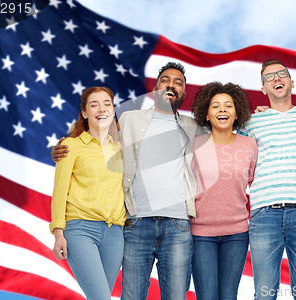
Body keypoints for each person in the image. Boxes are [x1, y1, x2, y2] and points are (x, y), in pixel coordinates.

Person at [52, 62, 201, 300]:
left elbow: (226, 131)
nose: (171, 85)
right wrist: (62, 147)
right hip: (135, 223)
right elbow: (96, 131)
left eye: (178, 82)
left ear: (183, 91)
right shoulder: (130, 119)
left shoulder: (193, 126)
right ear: (155, 87)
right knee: (129, 295)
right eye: (165, 80)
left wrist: (263, 113)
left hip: (177, 224)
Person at [241, 59, 296, 300]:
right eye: (269, 77)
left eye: (282, 74)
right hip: (263, 212)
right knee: (264, 294)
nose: (276, 79)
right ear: (263, 89)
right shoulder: (250, 122)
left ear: (291, 82)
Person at [50, 86, 126, 300]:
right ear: (84, 113)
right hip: (80, 230)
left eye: (107, 104)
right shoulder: (70, 146)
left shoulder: (122, 149)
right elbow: (60, 191)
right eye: (94, 105)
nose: (101, 109)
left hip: (115, 234)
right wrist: (58, 233)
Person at [189, 81, 257, 300]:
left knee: (228, 296)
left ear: (237, 114)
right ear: (207, 115)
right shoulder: (194, 144)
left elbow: (256, 183)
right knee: (206, 296)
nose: (222, 110)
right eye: (215, 106)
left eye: (228, 105)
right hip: (200, 234)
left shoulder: (250, 145)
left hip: (236, 234)